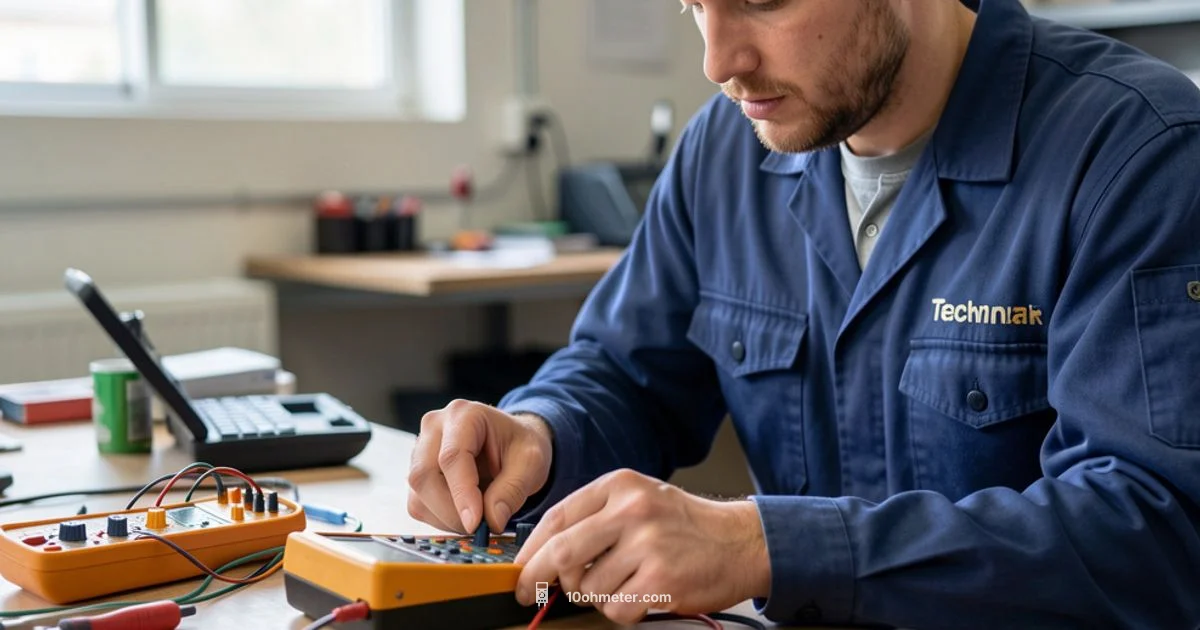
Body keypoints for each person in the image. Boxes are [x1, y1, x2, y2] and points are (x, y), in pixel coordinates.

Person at [407, 0, 1200, 627]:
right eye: (693, 6)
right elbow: (624, 370)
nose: (720, 62)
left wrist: (770, 545)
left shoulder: (1142, 154)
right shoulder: (724, 149)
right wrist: (541, 433)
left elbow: (1155, 533)